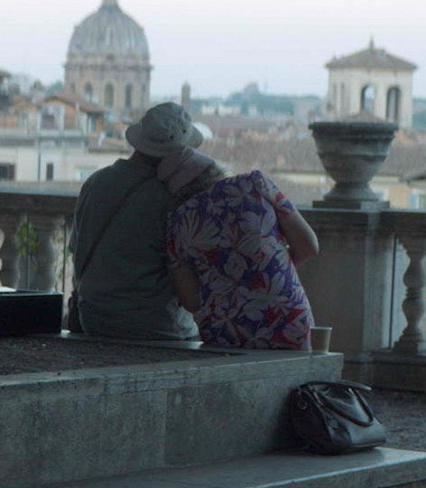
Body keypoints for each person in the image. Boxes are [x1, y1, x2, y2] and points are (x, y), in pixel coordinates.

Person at [160, 147, 320, 349]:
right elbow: (309, 246)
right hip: (286, 317)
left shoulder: (177, 222)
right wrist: (270, 272)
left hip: (225, 331)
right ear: (214, 170)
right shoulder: (255, 184)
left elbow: (191, 300)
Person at [69, 103, 201, 340]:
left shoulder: (95, 183)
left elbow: (76, 251)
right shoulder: (173, 196)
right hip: (159, 326)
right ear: (180, 152)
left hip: (94, 319)